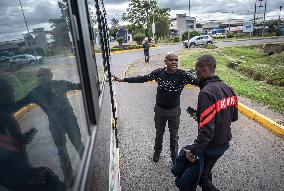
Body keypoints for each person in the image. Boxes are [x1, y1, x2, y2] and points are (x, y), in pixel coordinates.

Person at [113, 51, 198, 163]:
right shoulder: (159, 73)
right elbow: (143, 78)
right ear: (165, 62)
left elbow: (199, 82)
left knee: (174, 136)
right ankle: (157, 152)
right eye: (171, 60)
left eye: (176, 60)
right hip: (160, 110)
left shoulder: (183, 75)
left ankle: (174, 157)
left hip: (174, 111)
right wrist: (123, 79)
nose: (174, 62)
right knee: (159, 133)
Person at [13, 67, 85, 184]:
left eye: (44, 74)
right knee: (62, 152)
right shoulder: (35, 93)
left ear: (51, 75)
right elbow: (19, 104)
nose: (41, 78)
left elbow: (79, 85)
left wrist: (95, 82)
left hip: (70, 123)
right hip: (55, 126)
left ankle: (90, 166)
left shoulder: (61, 84)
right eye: (39, 76)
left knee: (78, 145)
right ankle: (70, 179)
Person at [183, 54, 238, 191]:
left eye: (197, 69)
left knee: (201, 178)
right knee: (206, 171)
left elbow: (207, 132)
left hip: (211, 146)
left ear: (205, 69)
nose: (196, 73)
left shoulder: (206, 93)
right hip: (224, 142)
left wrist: (194, 151)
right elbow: (233, 117)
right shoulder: (229, 89)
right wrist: (203, 118)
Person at [0, 79, 65, 191]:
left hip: (21, 170)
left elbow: (9, 143)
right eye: (9, 90)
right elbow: (6, 156)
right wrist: (29, 175)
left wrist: (22, 139)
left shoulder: (6, 112)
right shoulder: (3, 117)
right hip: (14, 176)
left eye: (12, 89)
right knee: (51, 180)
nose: (13, 92)